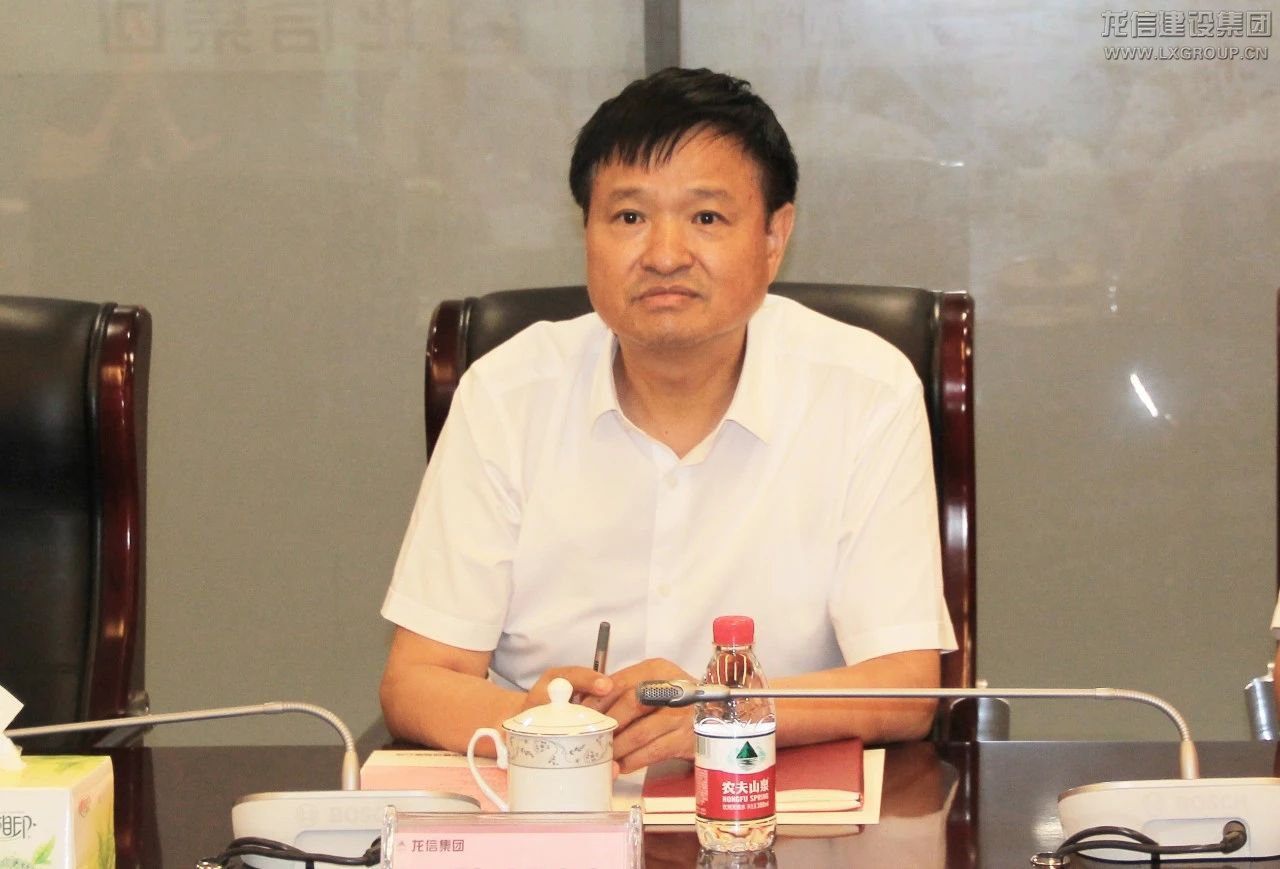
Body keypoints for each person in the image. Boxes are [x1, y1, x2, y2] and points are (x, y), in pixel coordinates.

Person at [379, 67, 957, 773]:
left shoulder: (865, 392)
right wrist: (555, 729)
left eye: (706, 218)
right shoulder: (505, 394)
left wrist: (721, 711)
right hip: (552, 804)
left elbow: (906, 686)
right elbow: (418, 679)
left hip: (773, 803)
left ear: (774, 237)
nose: (663, 256)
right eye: (629, 217)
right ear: (586, 231)